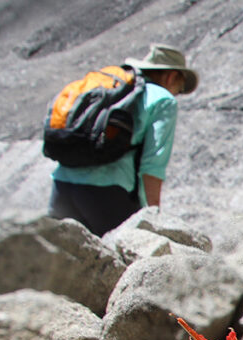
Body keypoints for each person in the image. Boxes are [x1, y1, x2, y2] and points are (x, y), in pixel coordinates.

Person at [48, 44, 199, 237]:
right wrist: (154, 220)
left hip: (62, 186)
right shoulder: (163, 100)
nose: (177, 94)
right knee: (134, 262)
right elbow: (153, 165)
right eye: (180, 88)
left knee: (63, 262)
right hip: (106, 192)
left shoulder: (113, 88)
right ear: (172, 77)